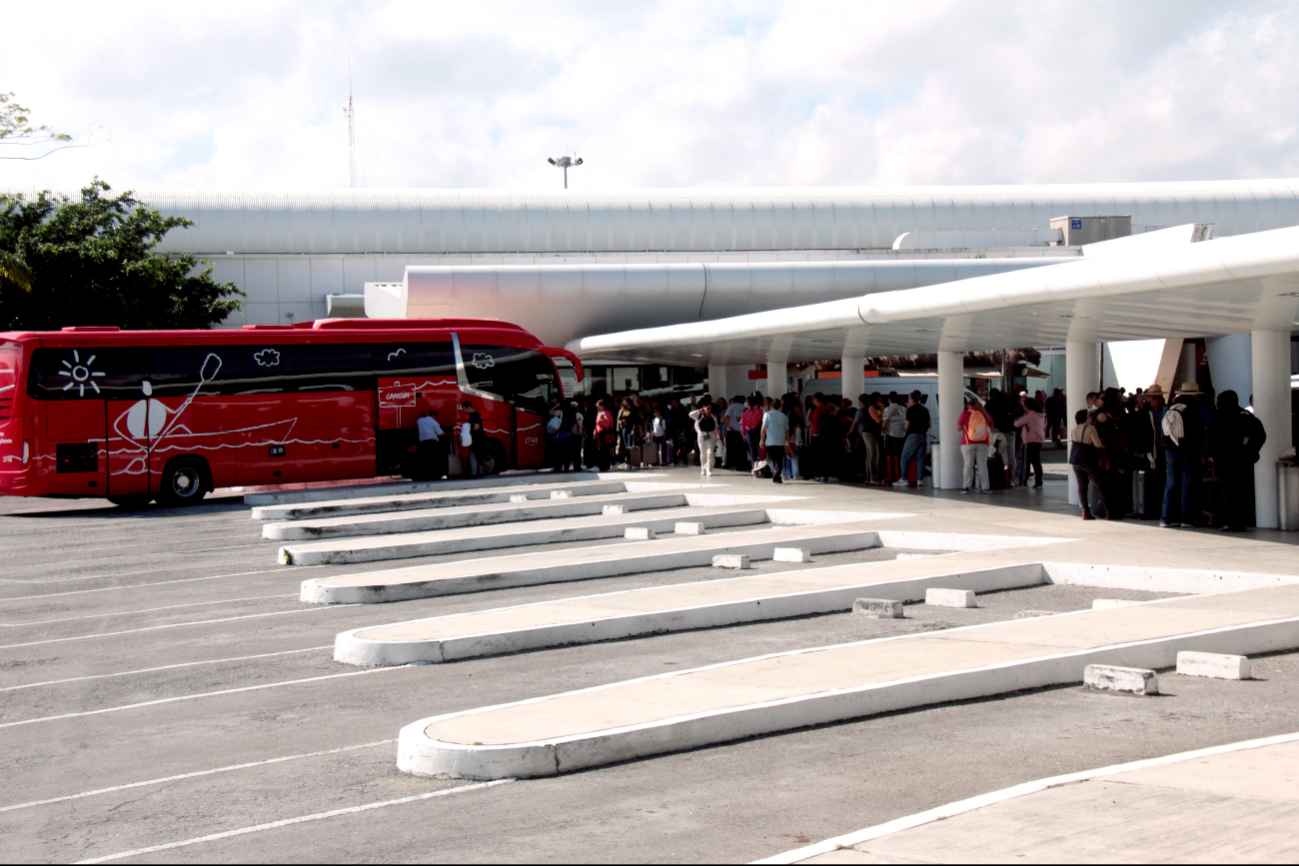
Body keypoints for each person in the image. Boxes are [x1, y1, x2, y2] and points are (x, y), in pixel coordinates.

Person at [1208, 389, 1267, 532]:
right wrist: (1251, 452)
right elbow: (1261, 435)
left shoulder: (1218, 416)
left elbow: (1210, 439)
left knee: (1228, 493)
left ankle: (1231, 521)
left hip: (1225, 463)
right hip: (1243, 462)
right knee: (1243, 492)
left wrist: (1213, 456)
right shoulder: (1245, 415)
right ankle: (1242, 521)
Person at [1161, 383, 1206, 528]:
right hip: (1189, 450)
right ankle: (1187, 519)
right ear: (1194, 394)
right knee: (1188, 484)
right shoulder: (1197, 408)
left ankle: (1166, 518)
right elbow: (1205, 426)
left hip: (1170, 448)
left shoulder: (1171, 407)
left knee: (1171, 483)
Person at [1069, 408, 1112, 520]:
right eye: (1089, 415)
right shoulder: (1090, 428)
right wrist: (1104, 449)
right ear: (1086, 417)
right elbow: (1098, 445)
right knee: (1101, 485)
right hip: (1088, 462)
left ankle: (1085, 512)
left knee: (1082, 487)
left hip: (1076, 462)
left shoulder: (1073, 430)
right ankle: (1109, 511)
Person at [895, 390, 930, 487]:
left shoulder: (910, 410)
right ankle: (920, 480)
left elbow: (907, 426)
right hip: (923, 435)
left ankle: (903, 478)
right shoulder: (925, 410)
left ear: (911, 399)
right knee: (920, 458)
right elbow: (929, 424)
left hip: (913, 435)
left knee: (904, 457)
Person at [958, 396, 992, 493]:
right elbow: (991, 426)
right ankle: (985, 487)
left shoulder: (965, 414)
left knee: (968, 464)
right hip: (983, 442)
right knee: (982, 465)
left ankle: (966, 487)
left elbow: (958, 428)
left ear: (969, 405)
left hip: (968, 442)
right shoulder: (985, 414)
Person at [1015, 397, 1047, 488]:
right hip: (1039, 440)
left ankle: (1023, 481)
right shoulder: (1040, 414)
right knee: (1036, 462)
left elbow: (1017, 423)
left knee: (1026, 461)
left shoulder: (1030, 415)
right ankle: (1039, 481)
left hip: (1029, 440)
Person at [760, 396, 791, 484]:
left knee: (770, 458)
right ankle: (778, 473)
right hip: (781, 441)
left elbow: (763, 428)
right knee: (780, 459)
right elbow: (787, 430)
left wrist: (761, 439)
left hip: (770, 441)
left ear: (771, 406)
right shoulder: (784, 416)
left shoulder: (767, 414)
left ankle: (775, 471)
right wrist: (787, 441)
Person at [689, 398, 721, 477]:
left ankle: (709, 470)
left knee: (710, 453)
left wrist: (718, 436)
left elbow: (716, 426)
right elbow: (690, 414)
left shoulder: (713, 416)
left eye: (711, 408)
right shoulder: (699, 415)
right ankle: (703, 468)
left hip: (711, 435)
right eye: (708, 408)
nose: (709, 410)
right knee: (703, 453)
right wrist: (699, 411)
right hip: (702, 436)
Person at [882, 392, 907, 482]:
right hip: (902, 435)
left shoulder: (887, 410)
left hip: (892, 436)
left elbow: (884, 423)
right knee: (901, 456)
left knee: (891, 457)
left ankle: (892, 476)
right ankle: (902, 476)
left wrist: (884, 429)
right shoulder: (904, 409)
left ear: (889, 400)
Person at [415, 409, 445, 480]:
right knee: (433, 459)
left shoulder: (420, 421)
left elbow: (421, 418)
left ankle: (425, 475)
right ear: (434, 415)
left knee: (425, 459)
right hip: (432, 443)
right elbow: (441, 433)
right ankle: (434, 476)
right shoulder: (434, 423)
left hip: (423, 443)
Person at [593, 398, 616, 472]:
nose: (598, 408)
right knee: (604, 450)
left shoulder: (607, 412)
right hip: (599, 432)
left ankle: (601, 465)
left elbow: (608, 423)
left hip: (604, 433)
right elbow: (597, 423)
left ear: (603, 406)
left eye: (598, 407)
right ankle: (608, 465)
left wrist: (604, 419)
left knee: (603, 449)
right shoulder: (599, 413)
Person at [741, 395, 764, 467]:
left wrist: (743, 434)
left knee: (752, 449)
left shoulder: (746, 412)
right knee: (759, 448)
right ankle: (760, 464)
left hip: (749, 432)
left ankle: (754, 465)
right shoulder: (760, 411)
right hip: (758, 431)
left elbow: (743, 424)